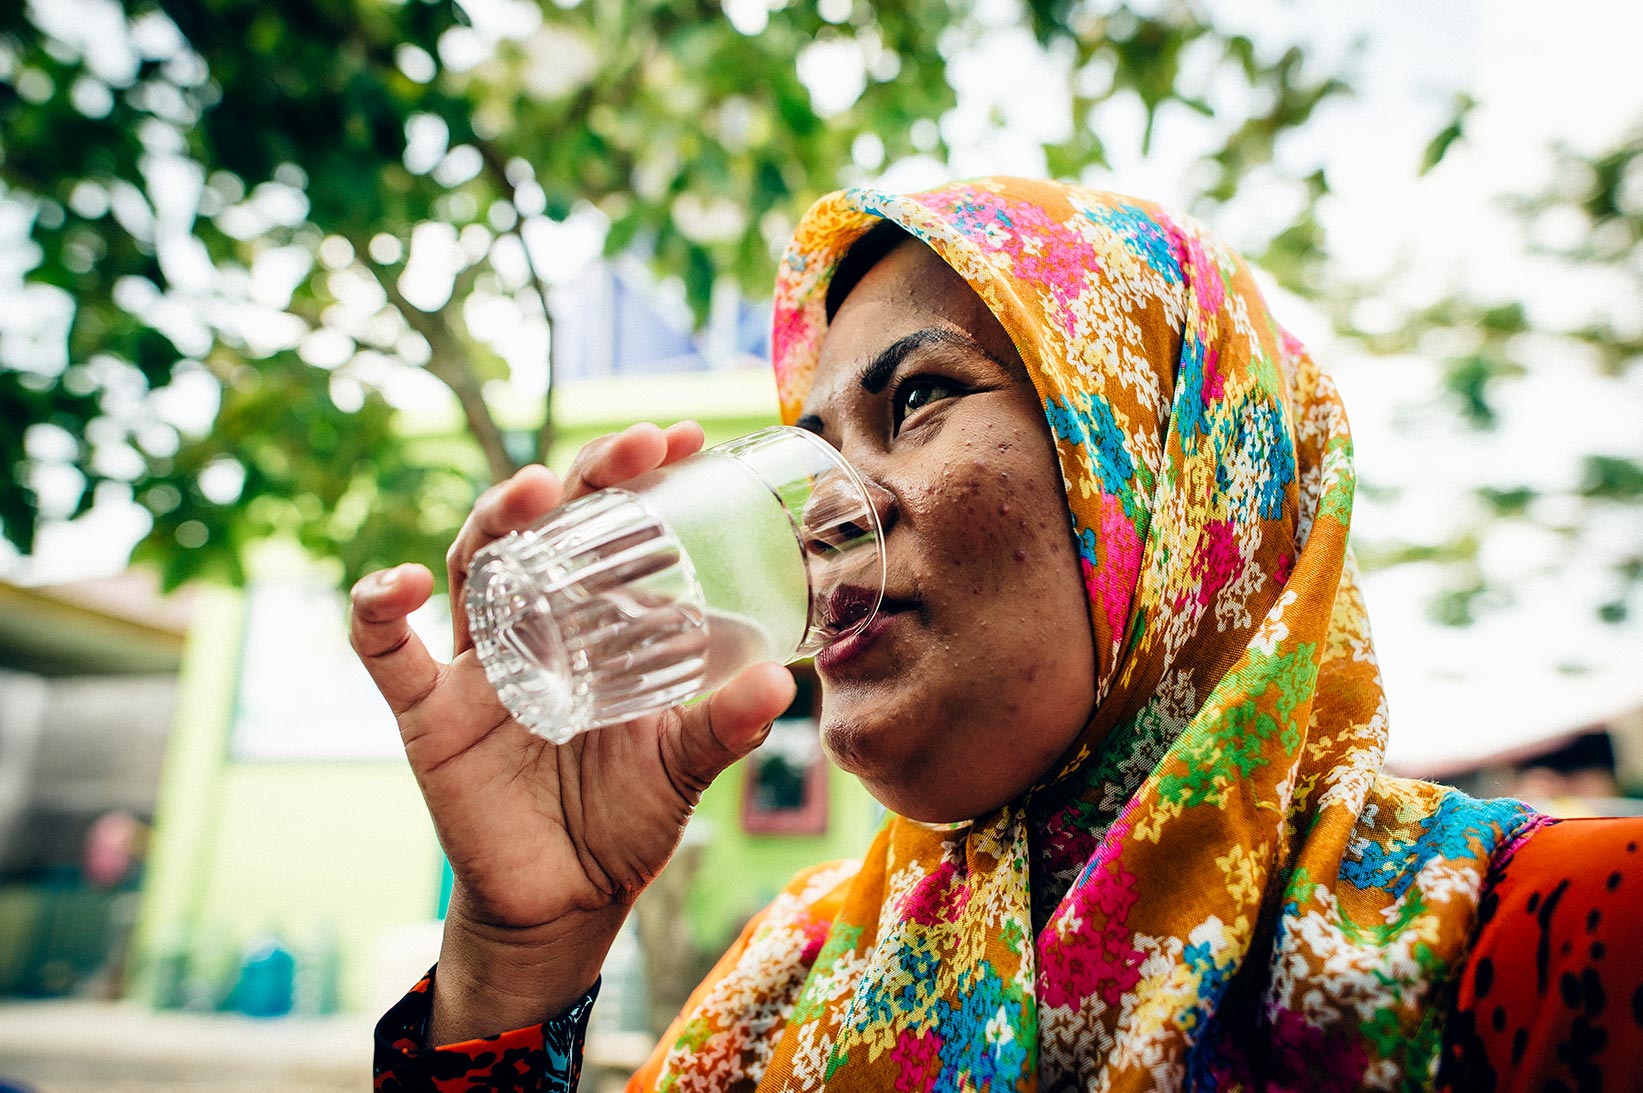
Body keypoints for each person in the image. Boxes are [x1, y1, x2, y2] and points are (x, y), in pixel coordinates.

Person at [354, 178, 1643, 1091]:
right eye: (800, 460)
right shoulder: (782, 997)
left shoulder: (1529, 946)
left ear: (1170, 479)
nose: (818, 522)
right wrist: (517, 965)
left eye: (916, 399)